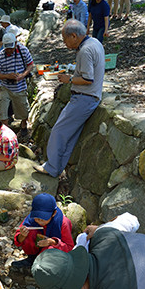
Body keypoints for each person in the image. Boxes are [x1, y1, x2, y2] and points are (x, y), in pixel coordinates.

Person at [33, 19, 104, 178]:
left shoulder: (85, 50)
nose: (65, 44)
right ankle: (56, 169)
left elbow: (88, 79)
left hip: (84, 98)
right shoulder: (94, 42)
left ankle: (51, 167)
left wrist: (69, 79)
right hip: (90, 97)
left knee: (58, 131)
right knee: (69, 136)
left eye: (65, 40)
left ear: (74, 36)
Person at [12, 193, 74, 270]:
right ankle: (31, 259)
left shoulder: (63, 223)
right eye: (37, 218)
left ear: (54, 213)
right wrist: (23, 235)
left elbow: (69, 247)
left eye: (43, 218)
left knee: (51, 249)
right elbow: (17, 241)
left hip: (51, 256)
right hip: (35, 251)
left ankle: (44, 266)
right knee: (29, 233)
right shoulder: (31, 218)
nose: (39, 221)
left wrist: (53, 242)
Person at [0, 32, 34, 136]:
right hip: (5, 87)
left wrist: (22, 75)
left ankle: (23, 126)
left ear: (15, 44)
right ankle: (7, 133)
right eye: (7, 49)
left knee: (23, 110)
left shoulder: (23, 50)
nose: (9, 51)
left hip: (20, 86)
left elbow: (30, 65)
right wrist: (7, 76)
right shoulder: (0, 56)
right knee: (2, 111)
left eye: (11, 48)